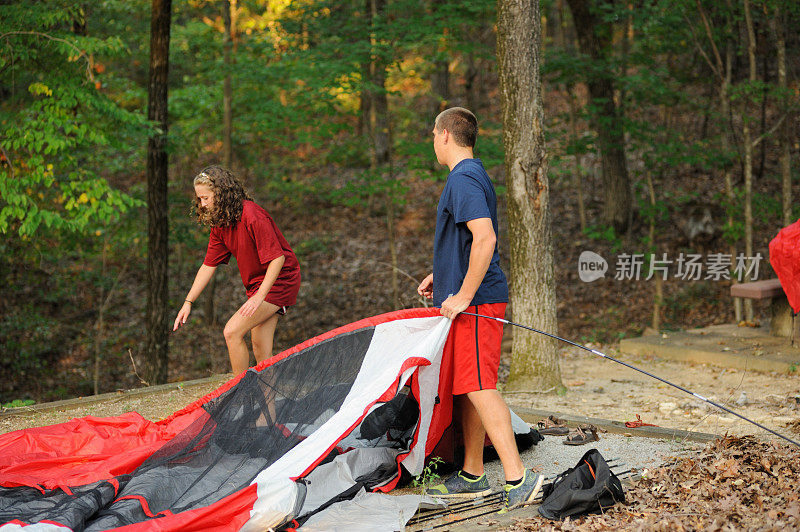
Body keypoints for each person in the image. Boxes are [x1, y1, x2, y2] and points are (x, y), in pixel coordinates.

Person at [417, 107, 542, 512]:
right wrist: (443, 274)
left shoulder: (464, 178)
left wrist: (465, 294)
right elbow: (468, 242)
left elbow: (484, 239)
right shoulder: (469, 175)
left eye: (434, 134)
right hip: (469, 296)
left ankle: (519, 476)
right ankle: (473, 472)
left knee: (480, 385)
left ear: (446, 136)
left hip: (479, 302)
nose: (432, 141)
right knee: (467, 385)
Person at [173, 165, 301, 375]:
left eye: (206, 198)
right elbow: (208, 265)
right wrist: (188, 302)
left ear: (221, 194)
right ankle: (267, 409)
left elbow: (278, 258)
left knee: (232, 332)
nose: (203, 205)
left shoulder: (251, 214)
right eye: (200, 200)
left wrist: (260, 297)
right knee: (261, 349)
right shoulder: (221, 223)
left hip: (279, 279)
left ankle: (240, 394)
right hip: (258, 285)